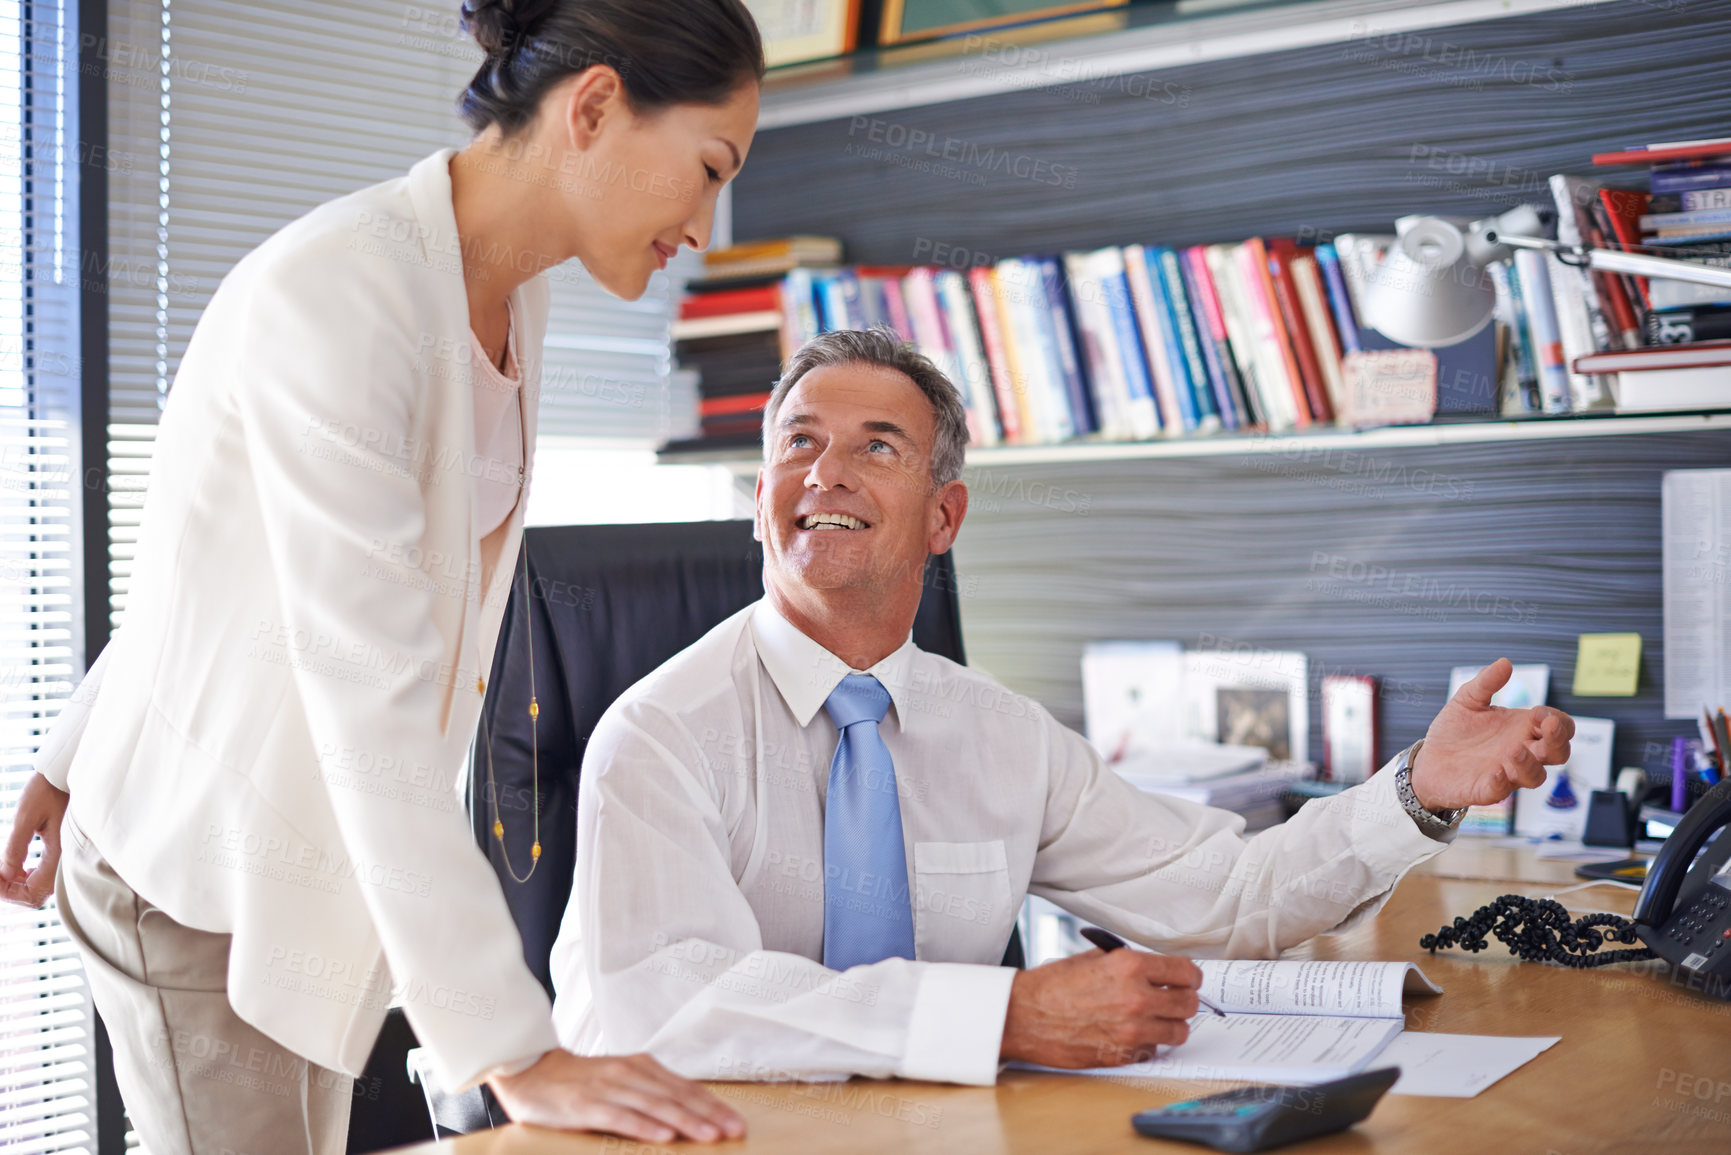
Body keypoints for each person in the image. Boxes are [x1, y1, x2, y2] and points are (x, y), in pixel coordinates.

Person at [0, 1, 762, 1148]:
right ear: (595, 108)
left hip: (304, 863)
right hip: (197, 872)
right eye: (706, 170)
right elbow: (370, 685)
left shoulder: (513, 291)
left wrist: (66, 748)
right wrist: (516, 1051)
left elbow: (244, 550)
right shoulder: (344, 293)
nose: (705, 224)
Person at [547, 327, 1576, 1085]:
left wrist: (1416, 791)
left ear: (944, 514)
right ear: (761, 495)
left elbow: (1226, 895)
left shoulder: (997, 734)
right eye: (799, 443)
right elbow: (654, 1009)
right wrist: (995, 1016)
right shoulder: (661, 732)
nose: (825, 472)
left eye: (877, 448)